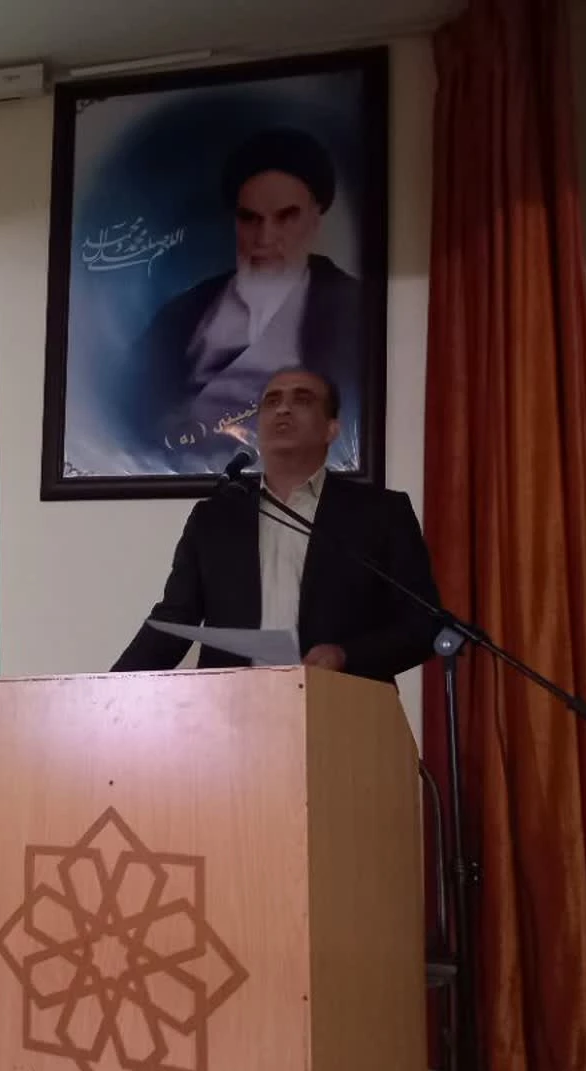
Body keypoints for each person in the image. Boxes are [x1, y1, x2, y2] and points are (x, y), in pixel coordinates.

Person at [112, 367, 438, 682]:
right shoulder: (214, 517)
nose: (283, 408)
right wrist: (104, 693)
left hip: (341, 704)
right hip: (233, 707)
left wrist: (346, 656)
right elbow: (174, 620)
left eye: (302, 399)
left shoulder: (381, 513)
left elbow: (424, 625)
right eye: (272, 401)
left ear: (331, 429)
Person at [120, 128, 361, 472]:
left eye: (286, 217)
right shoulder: (181, 315)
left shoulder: (352, 310)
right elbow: (134, 405)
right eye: (250, 219)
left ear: (315, 219)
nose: (265, 238)